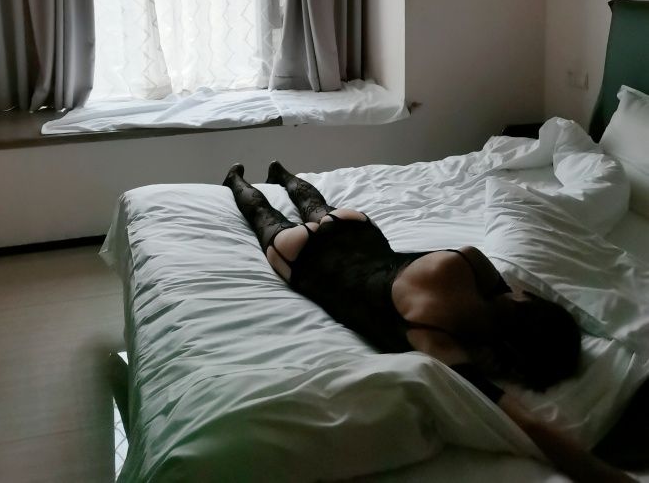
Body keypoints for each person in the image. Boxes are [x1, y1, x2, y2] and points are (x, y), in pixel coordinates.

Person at [223, 160, 636, 483]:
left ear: (524, 306)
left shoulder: (468, 261)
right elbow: (527, 423)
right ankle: (236, 180)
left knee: (318, 208)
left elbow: (504, 294)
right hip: (309, 261)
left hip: (356, 230)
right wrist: (607, 476)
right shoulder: (436, 339)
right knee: (264, 216)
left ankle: (280, 174)